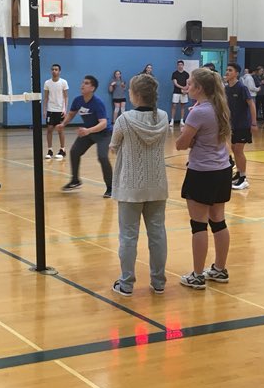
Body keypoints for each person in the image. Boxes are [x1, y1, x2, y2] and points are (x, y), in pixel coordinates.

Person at [109, 73, 169, 297]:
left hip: (130, 187)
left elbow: (114, 145)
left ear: (135, 95)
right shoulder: (163, 117)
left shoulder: (124, 119)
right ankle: (159, 282)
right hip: (157, 185)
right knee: (158, 234)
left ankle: (126, 284)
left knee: (128, 236)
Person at [176, 67, 233, 289]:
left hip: (202, 171)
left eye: (190, 84)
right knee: (218, 221)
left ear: (199, 88)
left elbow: (181, 144)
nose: (187, 87)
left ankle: (197, 275)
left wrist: (185, 133)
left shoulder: (198, 112)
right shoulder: (219, 107)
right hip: (222, 170)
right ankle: (219, 269)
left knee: (198, 225)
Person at [58, 75, 113, 197]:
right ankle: (75, 180)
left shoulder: (98, 103)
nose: (82, 85)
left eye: (86, 83)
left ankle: (111, 187)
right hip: (88, 132)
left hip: (103, 133)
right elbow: (71, 114)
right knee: (74, 152)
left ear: (92, 88)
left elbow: (103, 123)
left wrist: (88, 131)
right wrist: (63, 124)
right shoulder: (78, 100)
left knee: (103, 157)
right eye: (83, 82)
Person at [224, 63, 257, 190]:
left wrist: (253, 123)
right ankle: (238, 173)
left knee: (238, 150)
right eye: (226, 70)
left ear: (236, 73)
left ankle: (243, 178)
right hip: (232, 124)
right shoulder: (226, 88)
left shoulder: (241, 87)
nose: (227, 72)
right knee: (233, 148)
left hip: (243, 124)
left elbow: (251, 104)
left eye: (230, 70)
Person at [42, 64, 69, 160]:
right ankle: (50, 150)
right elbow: (45, 97)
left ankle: (62, 149)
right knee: (49, 129)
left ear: (59, 71)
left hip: (60, 110)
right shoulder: (47, 83)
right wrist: (44, 110)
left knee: (60, 129)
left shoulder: (63, 82)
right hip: (50, 109)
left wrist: (65, 109)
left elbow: (66, 96)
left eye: (56, 69)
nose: (54, 71)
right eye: (52, 69)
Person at [170, 60, 190, 126]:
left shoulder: (186, 74)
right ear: (177, 65)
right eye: (179, 65)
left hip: (184, 93)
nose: (180, 66)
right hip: (176, 92)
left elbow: (187, 83)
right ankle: (172, 120)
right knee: (174, 106)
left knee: (182, 106)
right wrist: (182, 87)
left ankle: (181, 121)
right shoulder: (174, 74)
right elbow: (175, 83)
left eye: (181, 64)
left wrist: (185, 89)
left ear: (183, 65)